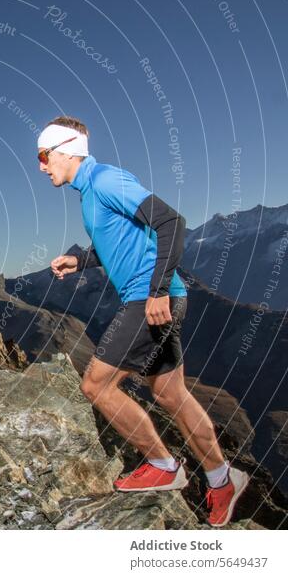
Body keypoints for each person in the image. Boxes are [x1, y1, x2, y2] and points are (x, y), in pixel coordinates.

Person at [40, 116, 248, 527]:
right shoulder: (89, 193)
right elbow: (119, 242)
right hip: (159, 297)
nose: (42, 165)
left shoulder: (105, 180)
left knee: (96, 385)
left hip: (150, 300)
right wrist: (80, 260)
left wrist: (155, 292)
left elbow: (171, 222)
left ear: (67, 150)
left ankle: (163, 465)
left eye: (44, 156)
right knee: (171, 395)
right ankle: (222, 479)